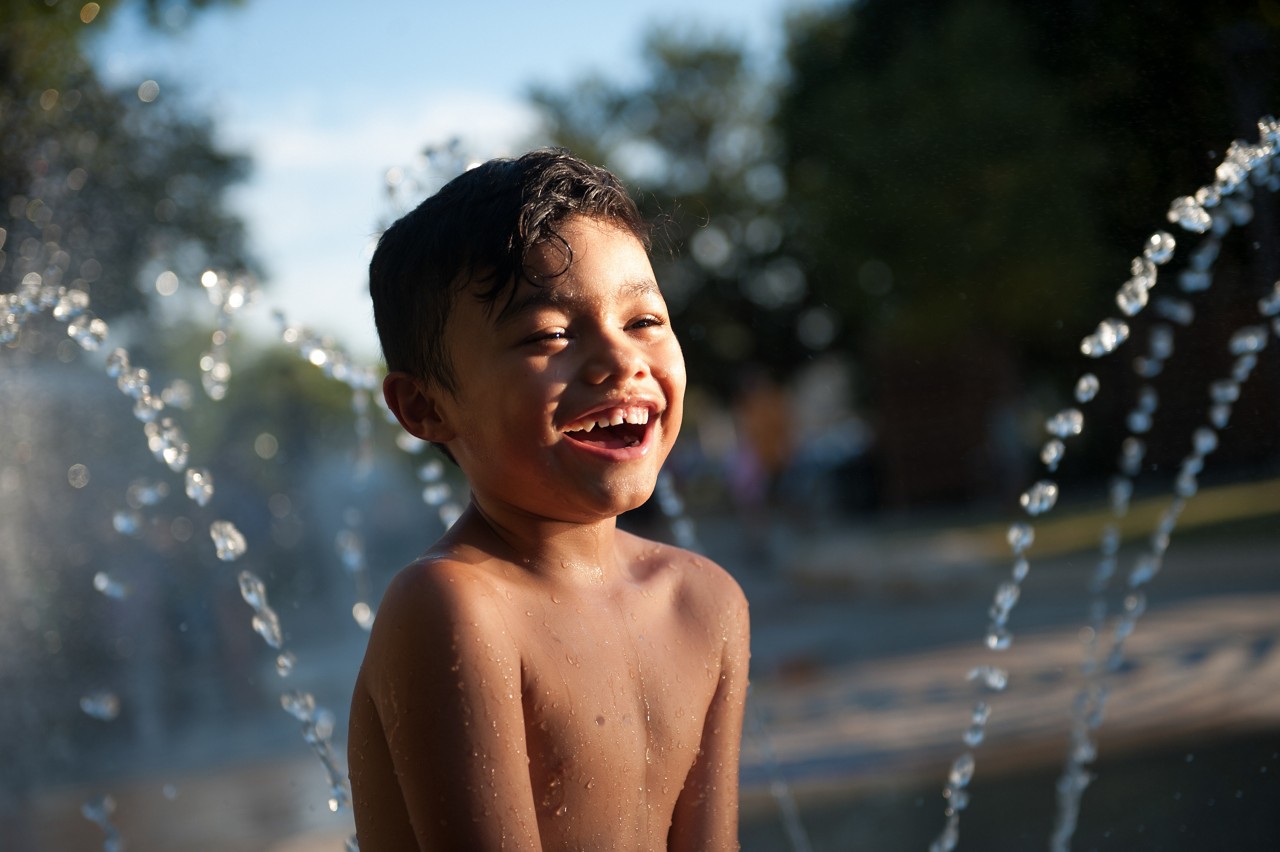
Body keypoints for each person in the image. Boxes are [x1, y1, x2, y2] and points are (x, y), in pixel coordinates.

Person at [348, 149, 751, 851]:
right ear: (425, 407)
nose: (620, 360)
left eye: (644, 321)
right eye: (550, 335)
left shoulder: (704, 603)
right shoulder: (454, 607)